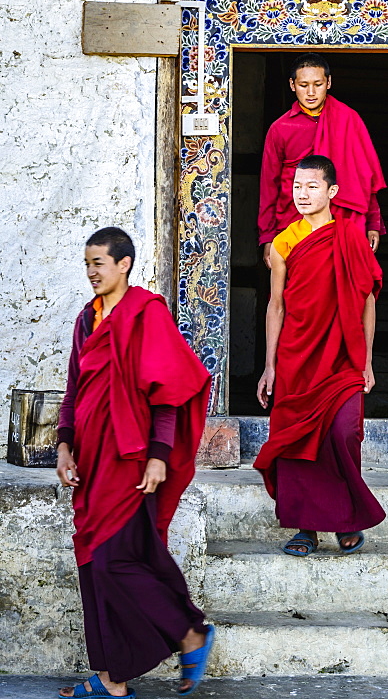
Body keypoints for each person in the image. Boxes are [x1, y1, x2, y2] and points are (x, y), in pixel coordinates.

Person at [56, 227, 215, 699]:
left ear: (123, 264)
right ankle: (113, 678)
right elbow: (74, 391)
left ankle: (190, 634)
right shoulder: (87, 321)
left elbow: (168, 393)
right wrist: (64, 447)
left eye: (99, 263)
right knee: (94, 561)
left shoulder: (147, 314)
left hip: (129, 456)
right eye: (87, 264)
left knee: (112, 562)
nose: (91, 273)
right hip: (91, 457)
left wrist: (158, 456)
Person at [254, 155, 386, 556]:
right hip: (297, 356)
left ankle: (346, 516)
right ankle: (306, 528)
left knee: (344, 433)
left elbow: (366, 300)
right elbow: (276, 305)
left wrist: (366, 361)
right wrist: (270, 365)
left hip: (343, 355)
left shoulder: (350, 236)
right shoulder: (284, 242)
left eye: (312, 186)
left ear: (332, 192)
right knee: (297, 442)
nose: (303, 194)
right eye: (297, 187)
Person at [258, 53, 386, 269]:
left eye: (317, 84)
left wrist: (373, 222)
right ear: (292, 85)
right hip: (294, 220)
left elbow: (365, 175)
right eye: (303, 85)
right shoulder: (280, 129)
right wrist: (268, 237)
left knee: (345, 288)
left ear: (328, 82)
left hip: (343, 221)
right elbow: (269, 186)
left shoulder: (349, 119)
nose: (310, 92)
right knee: (296, 289)